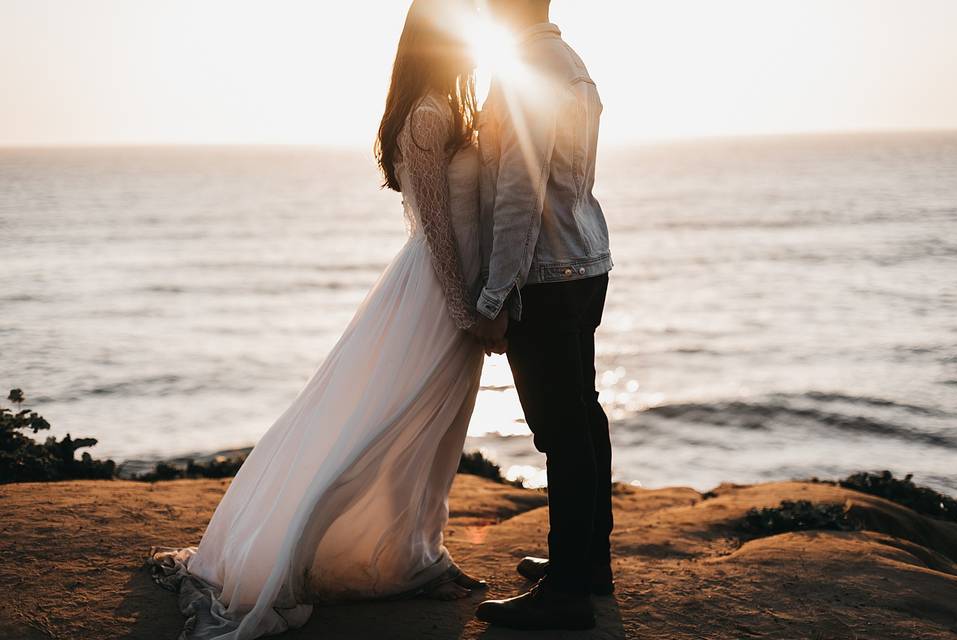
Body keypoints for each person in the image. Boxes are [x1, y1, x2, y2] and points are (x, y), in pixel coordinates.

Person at [147, 2, 494, 638]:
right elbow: (440, 232)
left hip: (447, 291)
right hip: (435, 296)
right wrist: (463, 309)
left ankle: (418, 554)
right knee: (385, 426)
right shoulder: (427, 114)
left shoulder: (442, 107)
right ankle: (302, 550)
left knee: (436, 431)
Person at [470, 0, 615, 631]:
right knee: (583, 413)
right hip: (587, 261)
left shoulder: (525, 69)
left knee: (561, 432)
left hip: (547, 275)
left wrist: (495, 297)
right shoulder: (572, 63)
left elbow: (519, 193)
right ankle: (585, 566)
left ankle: (567, 596)